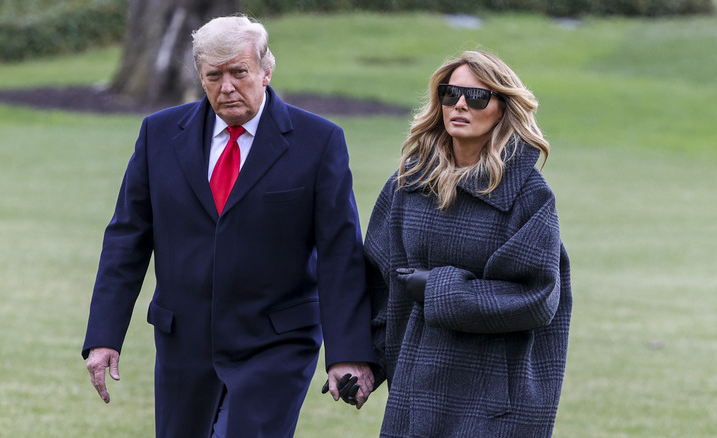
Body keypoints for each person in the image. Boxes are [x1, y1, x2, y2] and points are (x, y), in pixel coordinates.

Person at [82, 14, 376, 437]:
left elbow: (340, 253)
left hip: (276, 344)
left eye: (239, 72)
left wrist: (347, 353)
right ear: (200, 78)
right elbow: (127, 238)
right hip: (184, 344)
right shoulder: (159, 135)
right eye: (213, 75)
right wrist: (104, 335)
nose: (227, 86)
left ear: (265, 71)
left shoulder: (319, 141)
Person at [364, 50, 572, 437]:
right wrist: (366, 362)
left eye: (476, 96)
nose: (459, 104)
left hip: (493, 399)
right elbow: (378, 279)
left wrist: (441, 290)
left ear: (503, 108)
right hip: (413, 388)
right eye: (450, 93)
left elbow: (539, 297)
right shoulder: (408, 184)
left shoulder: (529, 195)